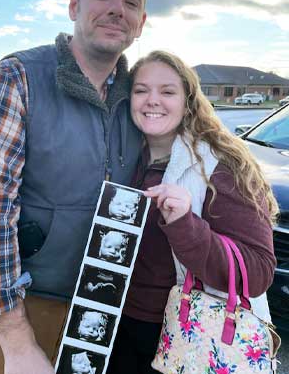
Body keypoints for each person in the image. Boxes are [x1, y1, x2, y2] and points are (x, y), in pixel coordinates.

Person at [0, 0, 146, 374]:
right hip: (16, 317)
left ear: (141, 23)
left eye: (131, 1)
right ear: (74, 4)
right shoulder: (16, 79)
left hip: (99, 320)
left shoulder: (142, 99)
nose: (117, 8)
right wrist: (17, 345)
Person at [107, 51, 277, 374]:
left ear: (188, 101)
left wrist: (187, 226)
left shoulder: (220, 164)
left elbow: (258, 271)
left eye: (167, 91)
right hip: (118, 327)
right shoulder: (123, 158)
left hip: (187, 337)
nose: (152, 100)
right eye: (141, 90)